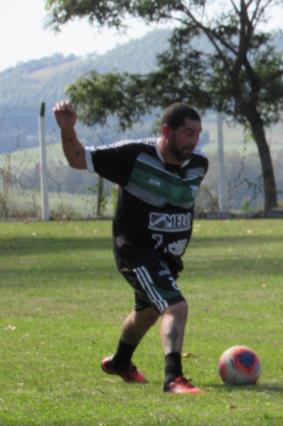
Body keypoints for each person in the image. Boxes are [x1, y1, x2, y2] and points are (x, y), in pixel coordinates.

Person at [53, 100, 209, 393]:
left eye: (198, 133)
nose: (194, 140)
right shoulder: (134, 156)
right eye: (188, 133)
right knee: (175, 306)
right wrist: (68, 129)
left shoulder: (199, 164)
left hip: (168, 258)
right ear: (166, 131)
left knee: (147, 313)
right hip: (136, 252)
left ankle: (120, 362)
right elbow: (77, 158)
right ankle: (173, 378)